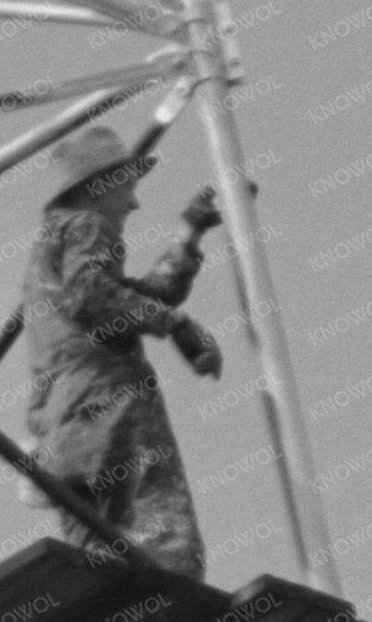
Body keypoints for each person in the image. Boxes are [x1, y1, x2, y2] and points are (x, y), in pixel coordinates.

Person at [20, 125, 226, 580]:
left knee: (96, 549)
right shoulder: (88, 225)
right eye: (128, 189)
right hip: (107, 406)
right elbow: (93, 296)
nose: (134, 203)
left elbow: (135, 296)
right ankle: (167, 606)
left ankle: (109, 618)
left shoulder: (53, 245)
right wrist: (177, 326)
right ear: (102, 186)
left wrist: (187, 234)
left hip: (64, 420)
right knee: (157, 536)